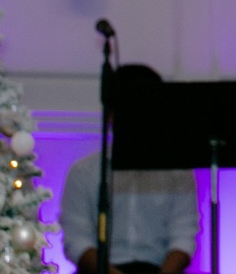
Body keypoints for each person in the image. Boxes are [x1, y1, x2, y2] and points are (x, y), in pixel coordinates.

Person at [59, 64, 199, 274]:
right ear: (110, 114)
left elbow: (183, 236)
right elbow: (77, 240)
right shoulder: (84, 172)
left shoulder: (178, 173)